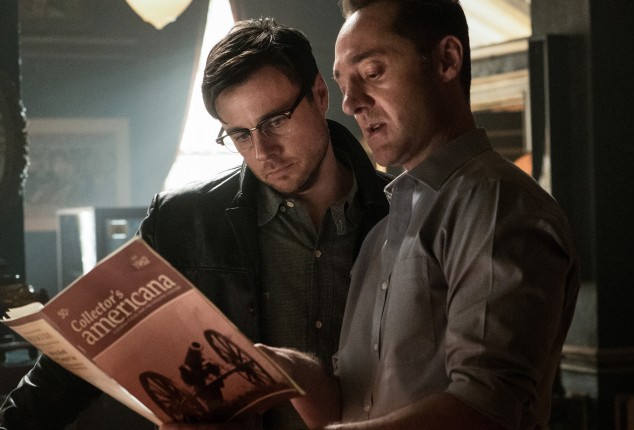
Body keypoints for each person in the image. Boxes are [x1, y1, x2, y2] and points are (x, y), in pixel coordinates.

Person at [0, 17, 390, 430]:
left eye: (275, 121)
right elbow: (69, 366)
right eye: (240, 135)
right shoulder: (182, 220)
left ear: (319, 94)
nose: (264, 152)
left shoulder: (404, 209)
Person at [249, 1, 582, 429]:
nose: (350, 103)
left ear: (447, 60)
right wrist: (287, 369)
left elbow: (486, 409)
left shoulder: (496, 202)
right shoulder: (382, 232)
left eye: (372, 73)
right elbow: (354, 405)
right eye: (343, 84)